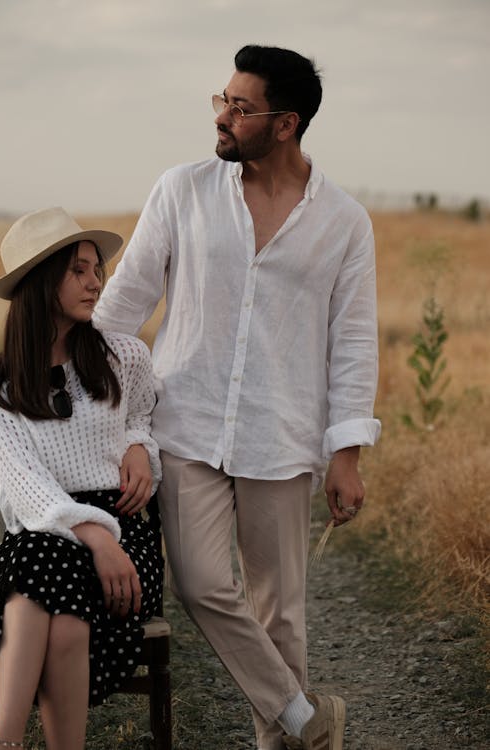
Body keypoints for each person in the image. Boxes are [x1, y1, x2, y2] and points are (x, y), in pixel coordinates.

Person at [94, 44, 381, 750]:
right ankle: (309, 723)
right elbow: (121, 307)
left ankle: (280, 741)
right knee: (200, 585)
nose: (222, 117)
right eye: (220, 99)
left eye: (240, 108)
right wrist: (79, 395)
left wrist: (345, 454)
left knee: (280, 615)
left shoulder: (344, 223)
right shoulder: (181, 190)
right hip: (184, 424)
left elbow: (352, 343)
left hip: (281, 437)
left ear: (285, 125)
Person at [0, 207, 164, 750]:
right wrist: (93, 536)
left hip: (124, 535)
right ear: (44, 283)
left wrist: (140, 446)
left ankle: (2, 740)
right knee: (50, 583)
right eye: (80, 271)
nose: (95, 283)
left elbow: (143, 417)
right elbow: (23, 484)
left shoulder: (125, 357)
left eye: (97, 270)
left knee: (40, 570)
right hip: (52, 532)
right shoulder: (1, 387)